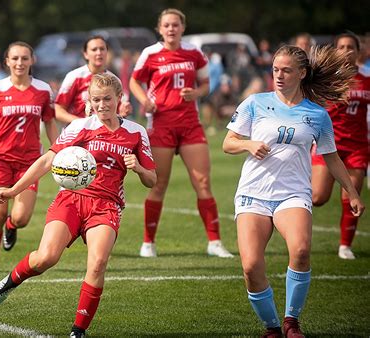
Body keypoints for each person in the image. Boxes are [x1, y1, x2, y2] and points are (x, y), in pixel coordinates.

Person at [0, 73, 156, 337]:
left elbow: (152, 179)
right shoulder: (80, 127)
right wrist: (13, 190)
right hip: (71, 200)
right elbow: (47, 161)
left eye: (107, 99)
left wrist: (138, 169)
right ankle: (12, 280)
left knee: (98, 263)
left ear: (119, 99)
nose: (102, 105)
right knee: (46, 258)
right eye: (97, 100)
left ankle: (78, 330)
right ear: (90, 102)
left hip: (107, 205)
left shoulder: (136, 132)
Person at [223, 44, 365, 337]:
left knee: (300, 250)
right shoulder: (255, 103)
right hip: (254, 194)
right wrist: (248, 144)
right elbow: (229, 143)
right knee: (250, 266)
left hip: (293, 194)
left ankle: (291, 321)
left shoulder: (317, 115)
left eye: (286, 70)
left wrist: (351, 192)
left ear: (302, 73)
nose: (279, 75)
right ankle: (272, 327)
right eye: (275, 69)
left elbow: (331, 157)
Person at [129, 8, 233, 258]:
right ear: (160, 28)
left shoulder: (194, 52)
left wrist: (196, 94)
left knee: (203, 183)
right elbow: (134, 82)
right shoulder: (150, 53)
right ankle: (148, 243)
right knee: (159, 184)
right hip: (162, 125)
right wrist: (145, 101)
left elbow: (206, 84)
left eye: (175, 25)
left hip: (189, 125)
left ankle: (215, 242)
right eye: (166, 25)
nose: (171, 29)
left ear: (182, 28)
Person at [0, 41, 58, 273]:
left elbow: (49, 121)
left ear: (32, 61)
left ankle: (12, 226)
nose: (20, 63)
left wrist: (59, 148)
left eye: (24, 58)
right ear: (7, 61)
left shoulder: (43, 90)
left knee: (21, 218)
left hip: (30, 162)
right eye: (15, 58)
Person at [311, 32, 370, 260]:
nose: (346, 51)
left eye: (350, 47)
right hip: (328, 144)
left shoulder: (366, 78)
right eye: (342, 46)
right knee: (318, 197)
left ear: (358, 51)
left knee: (350, 195)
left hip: (358, 147)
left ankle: (345, 245)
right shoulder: (324, 79)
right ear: (335, 51)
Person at [55, 35, 132, 124]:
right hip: (79, 134)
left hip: (105, 134)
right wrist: (81, 123)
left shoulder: (114, 80)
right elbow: (58, 111)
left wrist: (124, 111)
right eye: (94, 49)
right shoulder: (75, 76)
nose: (99, 53)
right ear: (85, 54)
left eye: (102, 49)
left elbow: (118, 113)